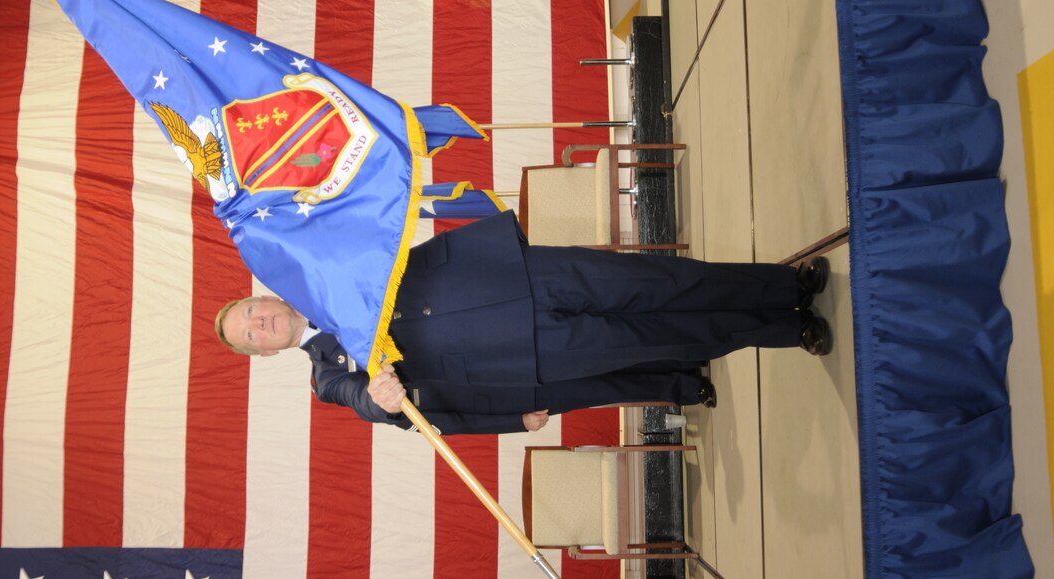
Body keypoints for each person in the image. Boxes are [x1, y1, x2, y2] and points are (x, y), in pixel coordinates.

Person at [215, 210, 830, 435]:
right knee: (667, 338)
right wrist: (379, 398)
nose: (260, 322)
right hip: (524, 354)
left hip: (511, 276)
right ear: (264, 354)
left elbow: (365, 228)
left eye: (251, 311)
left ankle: (785, 284)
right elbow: (367, 403)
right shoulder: (327, 377)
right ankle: (784, 328)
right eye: (253, 335)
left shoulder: (320, 276)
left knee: (664, 283)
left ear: (260, 296)